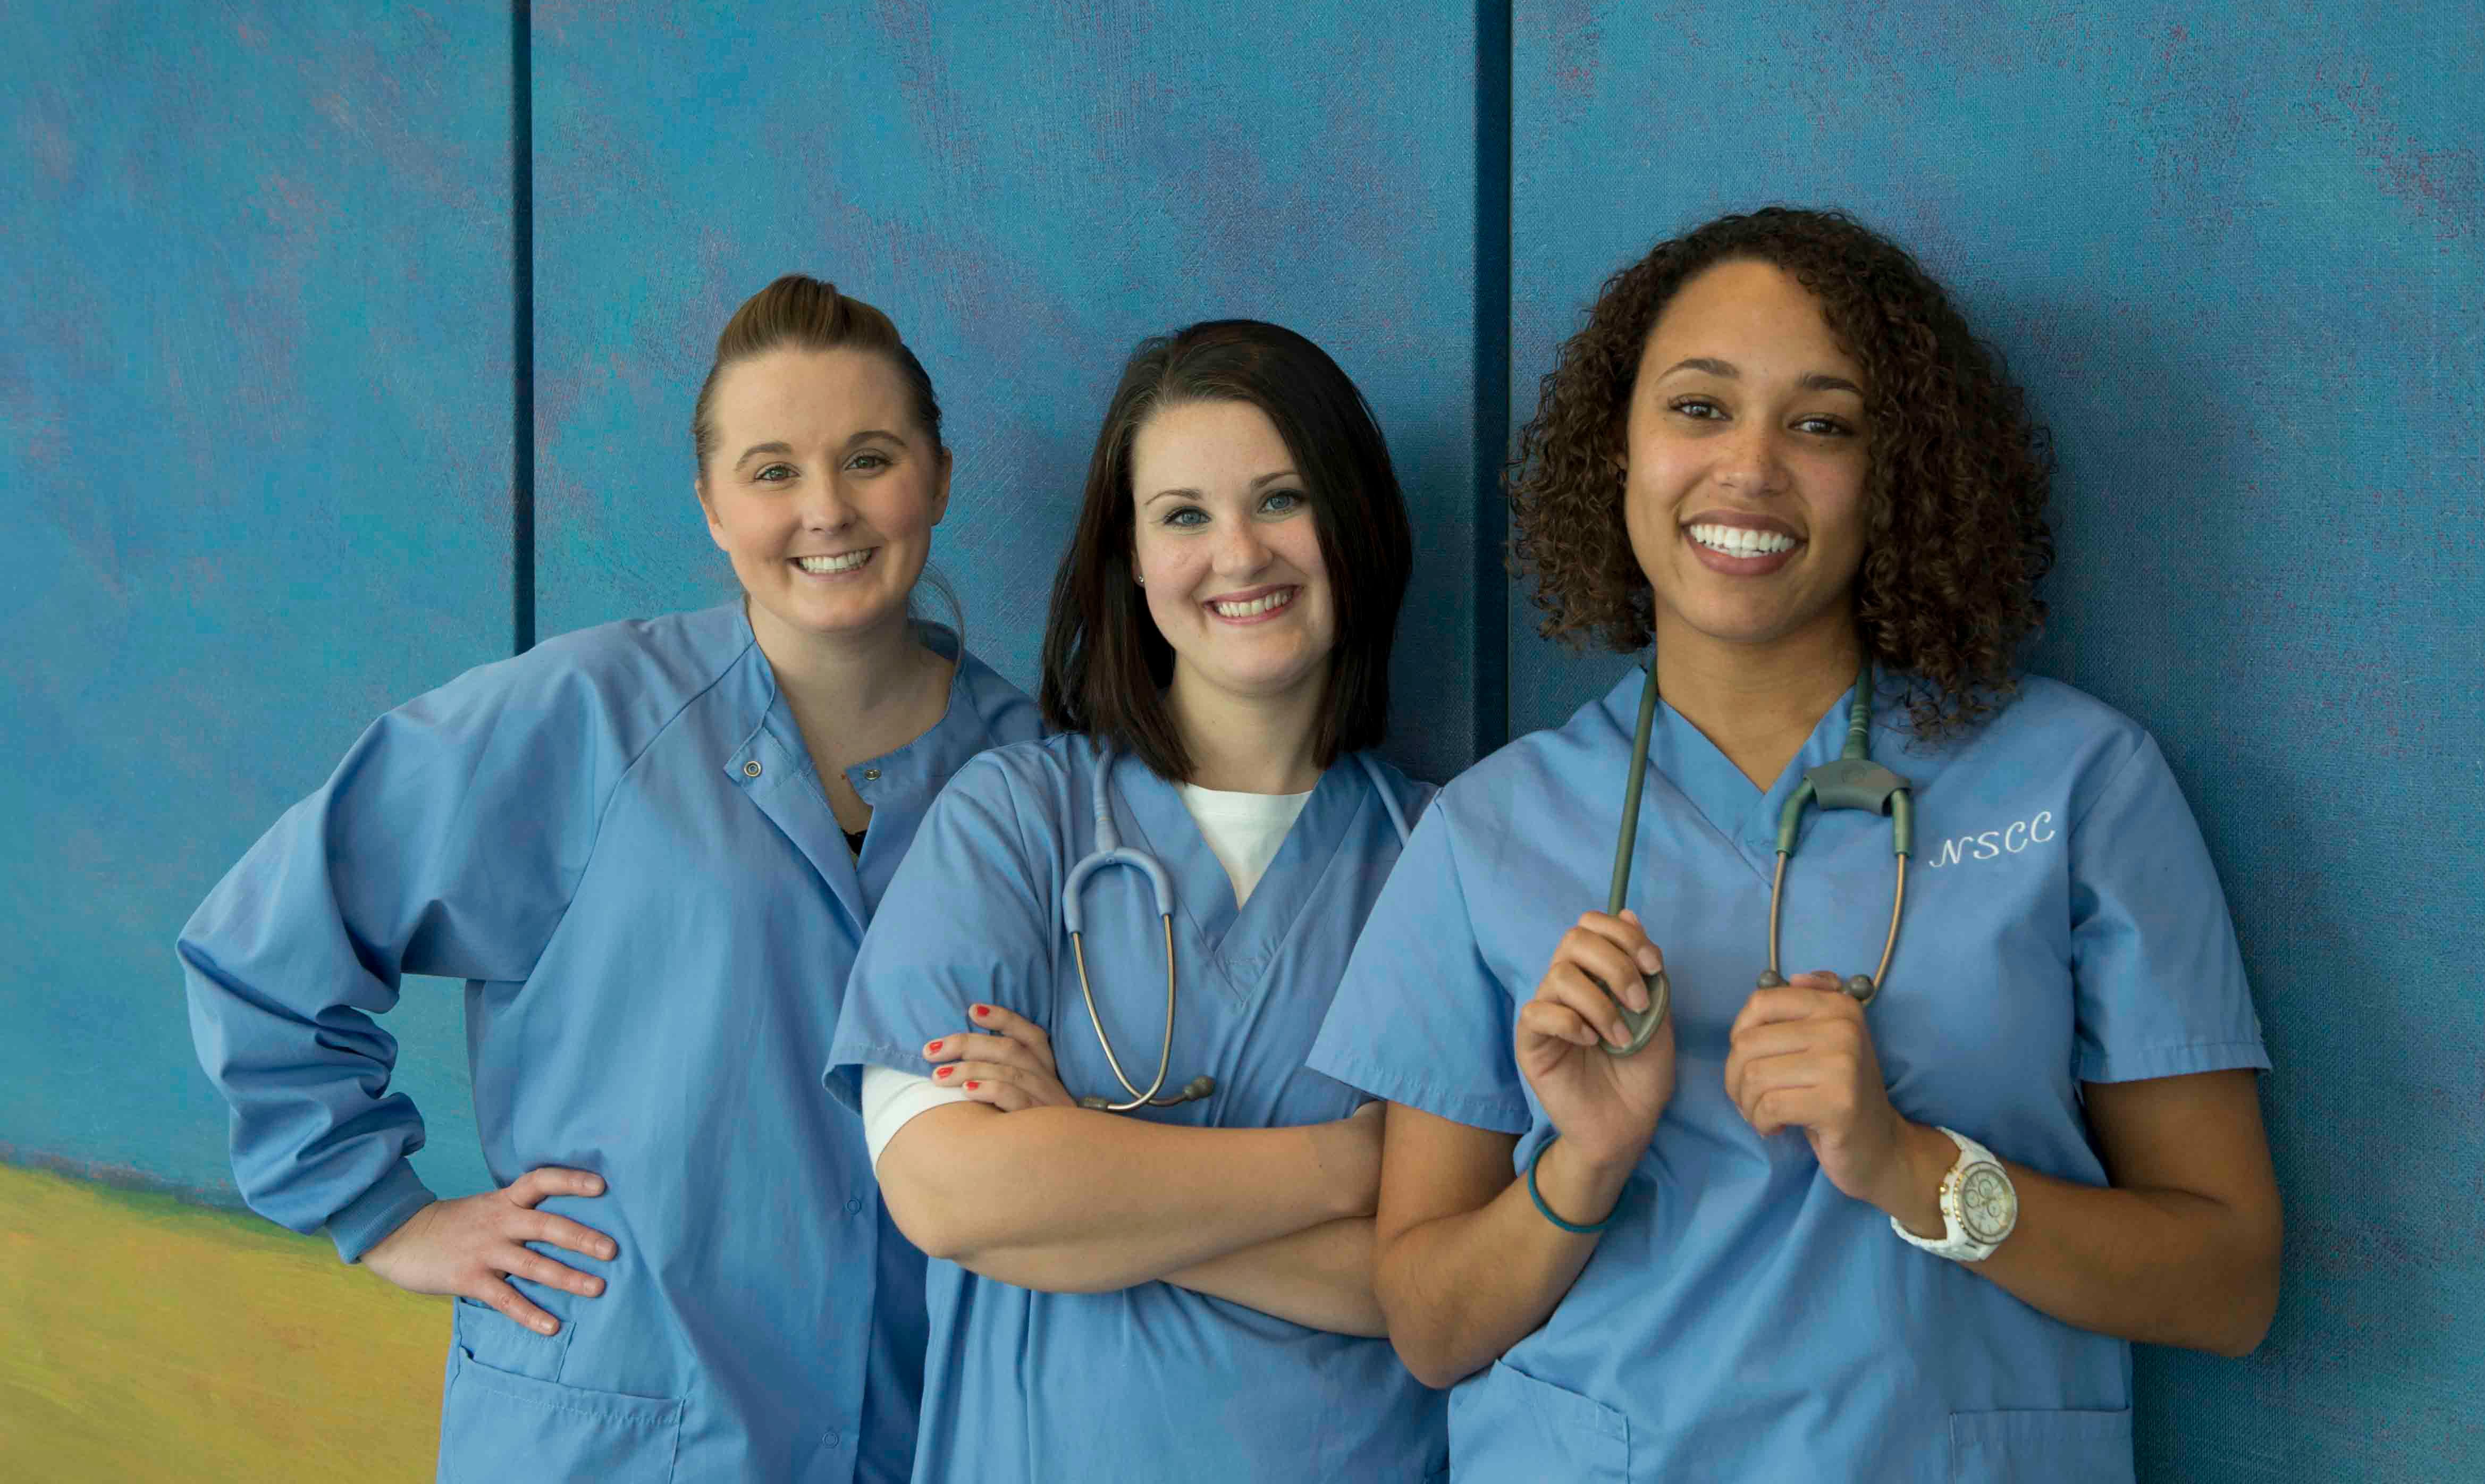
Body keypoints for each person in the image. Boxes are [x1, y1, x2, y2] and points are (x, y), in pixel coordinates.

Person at [1307, 209, 2280, 1483]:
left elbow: (2227, 1280)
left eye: (1821, 423)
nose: (1750, 468)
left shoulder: (2082, 783)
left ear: (1896, 476)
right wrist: (1584, 1164)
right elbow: (1429, 1327)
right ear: (1618, 450)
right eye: (1699, 408)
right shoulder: (1489, 830)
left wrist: (1910, 1165)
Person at [178, 275, 1041, 1482]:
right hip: (619, 1430)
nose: (826, 509)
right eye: (772, 469)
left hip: (927, 1432)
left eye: (869, 456)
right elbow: (261, 945)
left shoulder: (1038, 774)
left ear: (938, 477)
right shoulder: (582, 718)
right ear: (710, 505)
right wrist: (384, 1213)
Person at [824, 321, 1447, 1481]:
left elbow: (1428, 1290)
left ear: (1354, 525)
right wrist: (1342, 1170)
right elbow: (950, 1191)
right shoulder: (1013, 819)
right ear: (1132, 556)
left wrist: (1087, 1166)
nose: (1239, 554)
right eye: (1184, 515)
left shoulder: (1442, 856)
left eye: (1280, 499)